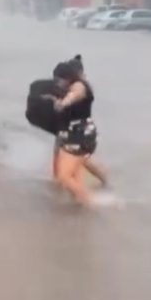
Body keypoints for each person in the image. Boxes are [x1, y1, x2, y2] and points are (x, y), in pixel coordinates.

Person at [44, 60, 108, 206]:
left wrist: (65, 102)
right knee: (75, 174)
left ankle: (92, 202)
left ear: (67, 77)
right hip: (74, 135)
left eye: (59, 79)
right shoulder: (65, 89)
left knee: (64, 176)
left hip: (80, 136)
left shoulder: (79, 86)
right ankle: (83, 206)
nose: (57, 82)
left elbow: (76, 93)